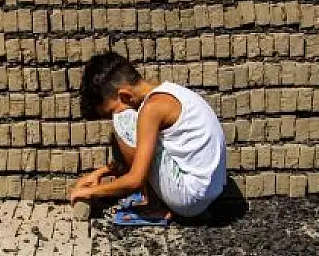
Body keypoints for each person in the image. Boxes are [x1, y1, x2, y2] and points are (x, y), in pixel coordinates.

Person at [69, 52, 227, 223]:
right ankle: (162, 201)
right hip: (206, 194)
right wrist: (101, 173)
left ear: (125, 96)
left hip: (188, 197)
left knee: (123, 120)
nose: (111, 118)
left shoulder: (152, 109)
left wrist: (90, 192)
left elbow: (135, 180)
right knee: (129, 121)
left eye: (109, 111)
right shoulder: (169, 92)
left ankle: (155, 206)